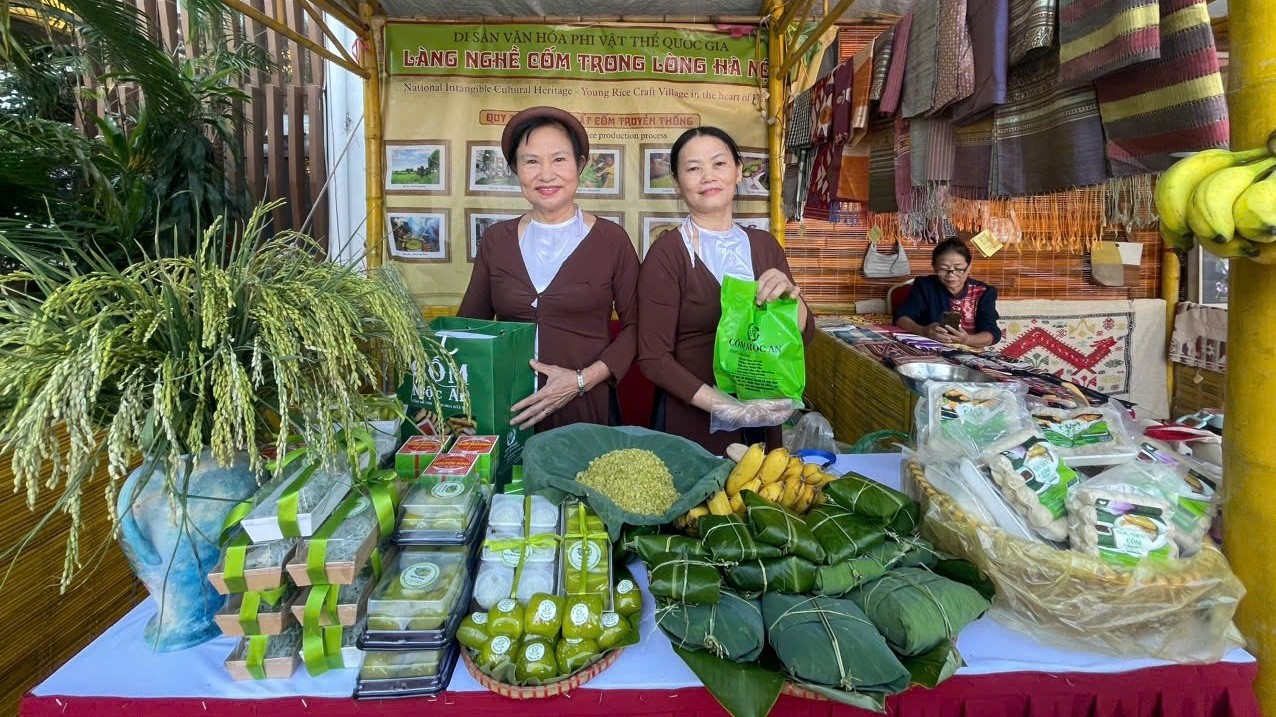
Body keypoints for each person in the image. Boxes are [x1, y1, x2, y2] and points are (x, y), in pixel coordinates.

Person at [458, 106, 639, 431]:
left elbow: (638, 328)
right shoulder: (496, 241)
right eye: (531, 161)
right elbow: (469, 329)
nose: (546, 174)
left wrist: (581, 380)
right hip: (509, 412)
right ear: (515, 169)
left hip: (587, 410)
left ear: (580, 165)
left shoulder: (612, 241)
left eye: (559, 159)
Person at [638, 126, 816, 455]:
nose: (708, 176)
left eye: (719, 164)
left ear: (737, 171)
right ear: (678, 184)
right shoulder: (668, 253)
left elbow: (802, 335)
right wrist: (727, 407)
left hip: (763, 418)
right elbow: (653, 359)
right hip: (691, 426)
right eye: (693, 168)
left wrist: (792, 297)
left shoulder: (765, 246)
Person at [893, 238, 1001, 348]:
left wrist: (968, 339)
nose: (951, 275)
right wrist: (923, 331)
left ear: (969, 267)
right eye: (943, 269)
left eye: (959, 268)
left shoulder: (983, 292)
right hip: (931, 350)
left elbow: (992, 333)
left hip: (971, 353)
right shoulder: (925, 286)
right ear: (935, 267)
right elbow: (901, 318)